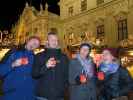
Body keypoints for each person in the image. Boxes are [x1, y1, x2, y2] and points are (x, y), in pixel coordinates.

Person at [32, 32, 69, 100]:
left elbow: (66, 75)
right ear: (47, 41)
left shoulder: (63, 57)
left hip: (59, 95)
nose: (54, 42)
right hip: (43, 95)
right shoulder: (39, 56)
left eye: (56, 40)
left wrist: (63, 88)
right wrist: (45, 66)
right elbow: (34, 74)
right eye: (52, 39)